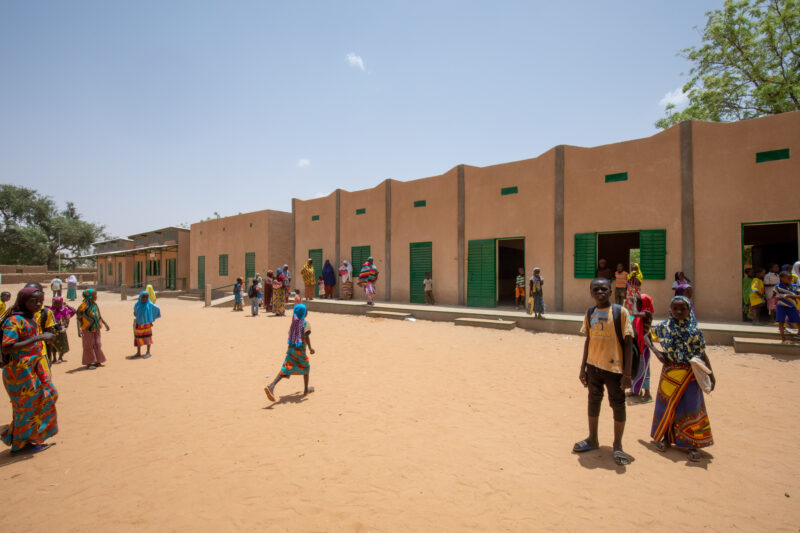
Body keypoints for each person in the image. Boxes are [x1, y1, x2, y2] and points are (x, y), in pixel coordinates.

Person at [645, 296, 715, 462]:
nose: (678, 312)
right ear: (670, 309)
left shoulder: (695, 331)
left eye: (682, 309)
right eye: (675, 308)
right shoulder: (664, 327)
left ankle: (693, 444)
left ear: (689, 310)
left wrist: (711, 375)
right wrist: (657, 353)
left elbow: (702, 354)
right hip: (670, 373)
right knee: (667, 406)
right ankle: (665, 438)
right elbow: (646, 336)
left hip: (690, 374)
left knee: (692, 407)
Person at [574, 278, 633, 466]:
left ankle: (617, 445)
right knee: (593, 401)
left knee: (618, 404)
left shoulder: (620, 312)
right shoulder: (590, 312)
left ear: (610, 291)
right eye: (596, 289)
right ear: (591, 293)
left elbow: (629, 344)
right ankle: (592, 438)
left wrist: (627, 374)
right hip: (593, 367)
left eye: (604, 289)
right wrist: (583, 368)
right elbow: (588, 340)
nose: (600, 292)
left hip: (614, 369)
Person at [1, 286, 58, 455]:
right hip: (19, 371)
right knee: (26, 407)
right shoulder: (14, 320)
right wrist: (39, 338)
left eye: (41, 301)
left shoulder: (31, 318)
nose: (38, 304)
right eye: (34, 301)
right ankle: (20, 444)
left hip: (35, 367)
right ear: (23, 301)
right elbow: (7, 347)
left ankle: (22, 434)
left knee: (50, 394)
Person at [264, 303, 316, 402]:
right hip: (300, 351)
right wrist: (310, 348)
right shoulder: (305, 323)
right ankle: (306, 390)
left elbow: (290, 333)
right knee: (306, 367)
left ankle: (272, 385)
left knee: (286, 367)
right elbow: (306, 335)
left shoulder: (293, 324)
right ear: (304, 313)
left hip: (291, 350)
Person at [76, 288, 110, 369]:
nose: (96, 297)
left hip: (96, 328)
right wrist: (79, 330)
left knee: (97, 344)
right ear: (89, 296)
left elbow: (99, 316)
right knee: (88, 345)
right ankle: (89, 362)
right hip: (87, 329)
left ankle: (98, 360)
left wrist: (105, 324)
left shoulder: (94, 305)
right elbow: (78, 319)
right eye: (94, 295)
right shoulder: (83, 306)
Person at [630, 294, 654, 403]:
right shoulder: (642, 312)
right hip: (638, 344)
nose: (637, 305)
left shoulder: (647, 313)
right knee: (636, 367)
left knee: (644, 370)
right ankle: (636, 391)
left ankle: (647, 394)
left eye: (639, 303)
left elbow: (634, 313)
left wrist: (634, 302)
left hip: (644, 345)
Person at [133, 290, 161, 358]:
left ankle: (148, 352)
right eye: (143, 297)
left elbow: (157, 308)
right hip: (139, 324)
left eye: (146, 297)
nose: (144, 299)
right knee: (138, 338)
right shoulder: (137, 304)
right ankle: (138, 352)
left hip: (147, 325)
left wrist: (152, 317)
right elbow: (135, 312)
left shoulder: (149, 304)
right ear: (140, 297)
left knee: (148, 338)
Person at [774, 271, 800, 343]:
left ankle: (799, 333)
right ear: (781, 278)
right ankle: (783, 338)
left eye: (791, 278)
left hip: (792, 306)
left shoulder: (795, 286)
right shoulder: (777, 287)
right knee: (781, 322)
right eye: (788, 278)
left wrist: (790, 296)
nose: (790, 279)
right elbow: (774, 296)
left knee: (797, 321)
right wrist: (778, 296)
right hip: (781, 306)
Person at [48, 297, 75, 364]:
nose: (57, 304)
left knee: (61, 343)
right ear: (53, 303)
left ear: (61, 303)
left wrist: (67, 305)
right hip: (52, 329)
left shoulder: (64, 310)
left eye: (59, 303)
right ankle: (54, 358)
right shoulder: (49, 310)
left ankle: (60, 357)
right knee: (53, 344)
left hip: (61, 329)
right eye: (55, 303)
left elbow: (74, 311)